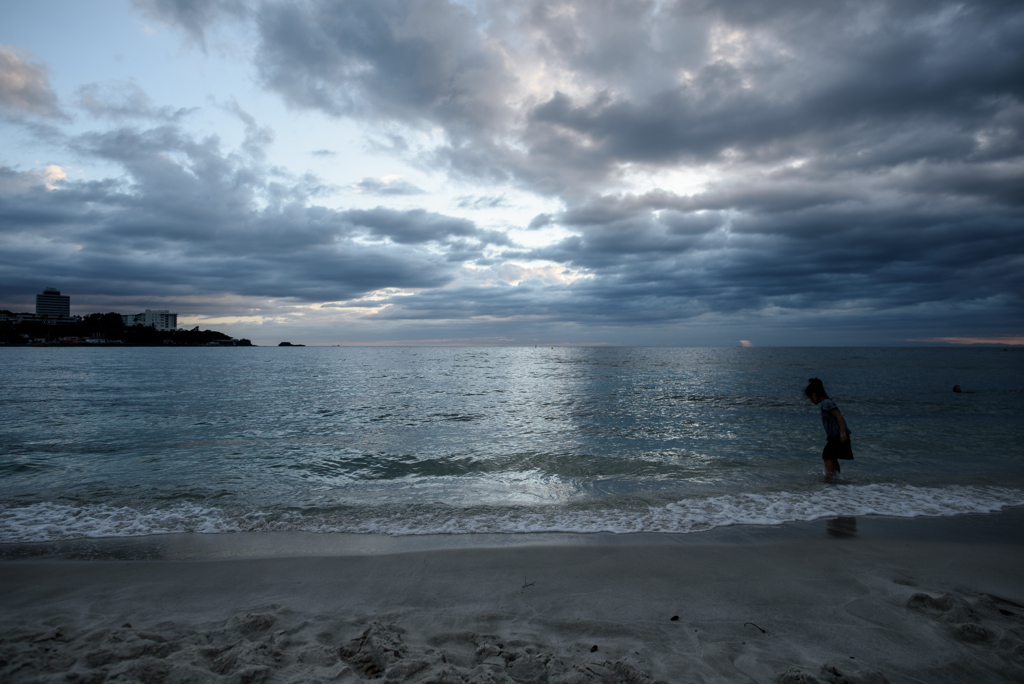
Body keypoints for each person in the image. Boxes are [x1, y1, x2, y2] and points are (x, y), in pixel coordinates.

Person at [804, 378, 853, 480]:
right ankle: (836, 478)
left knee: (827, 456)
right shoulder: (826, 403)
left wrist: (843, 432)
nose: (810, 400)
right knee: (832, 457)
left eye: (810, 397)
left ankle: (828, 479)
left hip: (837, 435)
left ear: (814, 394)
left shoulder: (827, 403)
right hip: (834, 435)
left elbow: (839, 416)